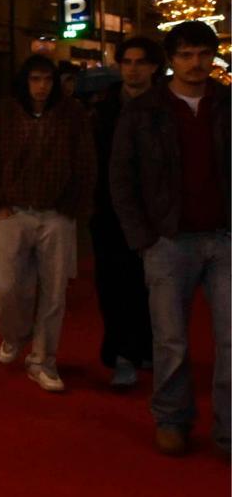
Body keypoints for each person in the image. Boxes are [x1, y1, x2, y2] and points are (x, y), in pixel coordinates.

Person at [110, 21, 230, 458]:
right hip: (169, 239)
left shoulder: (226, 103)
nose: (196, 63)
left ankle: (229, 428)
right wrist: (144, 237)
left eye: (203, 54)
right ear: (173, 60)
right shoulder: (146, 110)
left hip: (225, 237)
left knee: (231, 339)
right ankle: (172, 418)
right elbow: (121, 177)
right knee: (171, 339)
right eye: (186, 55)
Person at [0, 55, 96, 392]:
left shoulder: (71, 113)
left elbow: (85, 160)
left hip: (55, 213)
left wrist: (72, 206)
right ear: (25, 80)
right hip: (15, 211)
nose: (42, 86)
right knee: (8, 285)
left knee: (54, 291)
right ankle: (14, 334)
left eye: (47, 79)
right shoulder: (7, 111)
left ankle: (43, 359)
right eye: (35, 79)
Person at [91, 37, 164, 387]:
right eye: (128, 61)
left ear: (153, 66)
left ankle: (146, 347)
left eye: (141, 61)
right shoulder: (104, 106)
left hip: (156, 214)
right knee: (113, 285)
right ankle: (121, 353)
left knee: (152, 287)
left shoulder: (166, 106)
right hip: (108, 212)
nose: (133, 68)